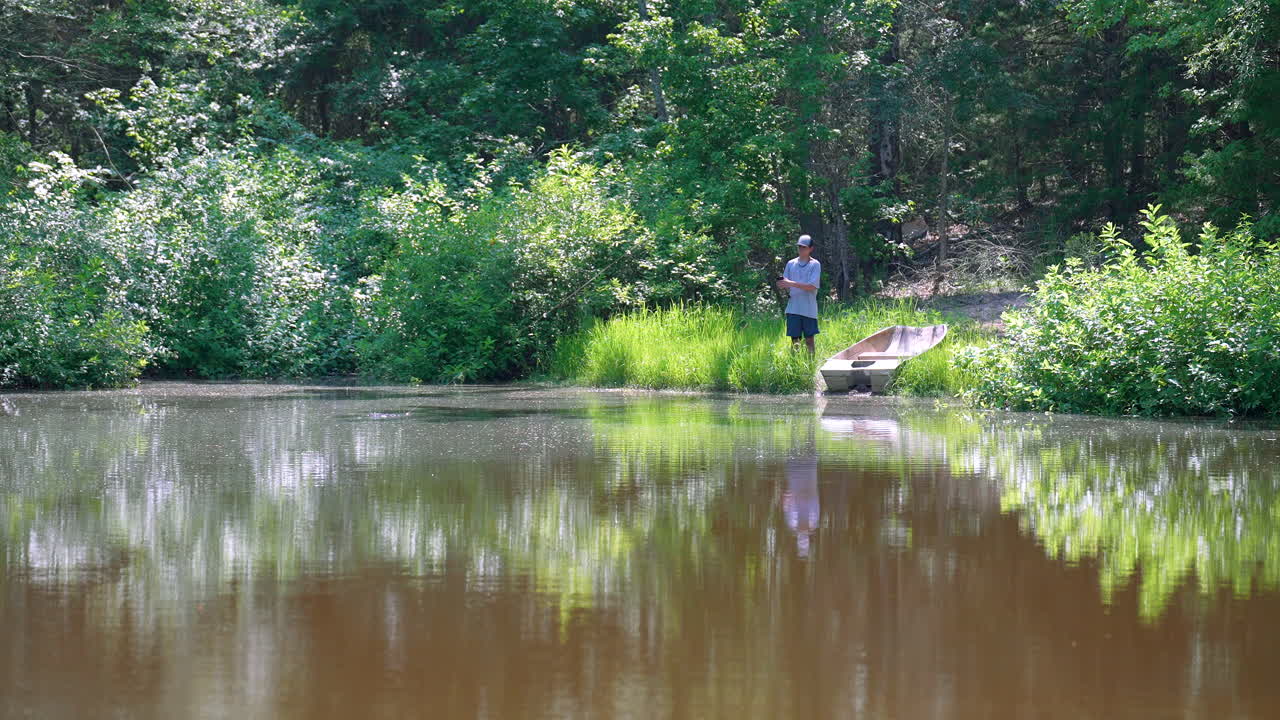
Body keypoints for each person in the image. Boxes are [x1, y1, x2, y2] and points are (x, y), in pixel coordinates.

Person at [776, 234, 821, 355]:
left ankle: (811, 365)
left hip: (809, 309)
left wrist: (790, 283)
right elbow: (784, 284)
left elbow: (812, 286)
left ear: (811, 249)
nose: (801, 249)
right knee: (795, 340)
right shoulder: (791, 263)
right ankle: (796, 366)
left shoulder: (815, 264)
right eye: (799, 247)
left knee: (809, 340)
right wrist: (782, 285)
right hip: (793, 308)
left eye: (804, 247)